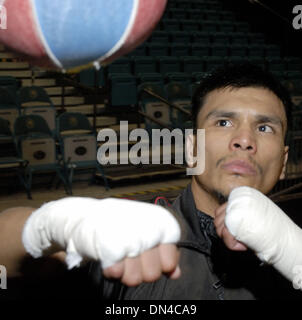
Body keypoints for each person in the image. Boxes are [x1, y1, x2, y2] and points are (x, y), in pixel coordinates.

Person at [0, 63, 301, 300]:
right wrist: (54, 227)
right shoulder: (133, 234)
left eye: (265, 127)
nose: (245, 140)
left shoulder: (295, 244)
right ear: (192, 149)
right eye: (223, 122)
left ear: (284, 162)